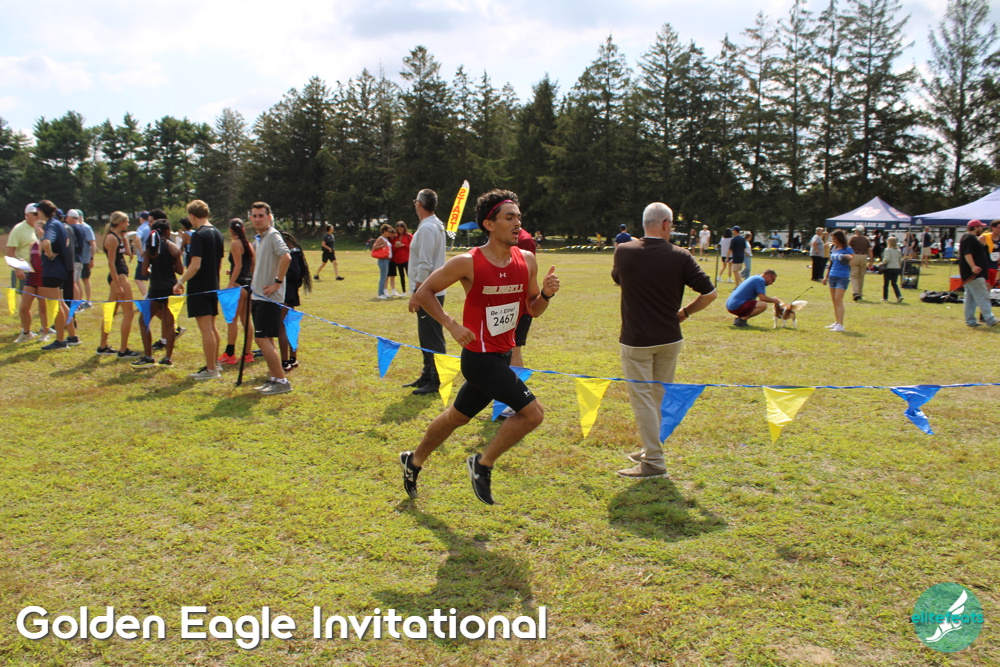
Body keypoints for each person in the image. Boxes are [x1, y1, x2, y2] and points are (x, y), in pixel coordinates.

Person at [399, 189, 560, 505]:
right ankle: (482, 465)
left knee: (456, 417)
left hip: (502, 355)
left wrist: (546, 294)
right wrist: (452, 325)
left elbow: (533, 309)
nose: (517, 223)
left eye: (519, 217)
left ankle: (412, 460)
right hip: (479, 358)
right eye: (509, 217)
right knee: (533, 414)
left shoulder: (527, 260)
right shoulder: (468, 262)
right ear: (489, 224)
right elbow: (424, 293)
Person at [612, 202, 716, 478]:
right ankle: (650, 450)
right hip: (669, 337)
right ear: (666, 224)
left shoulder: (623, 251)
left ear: (644, 223)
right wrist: (685, 313)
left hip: (636, 340)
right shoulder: (681, 255)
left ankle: (654, 462)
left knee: (644, 401)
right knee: (655, 398)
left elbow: (619, 279)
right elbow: (710, 293)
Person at [173, 199, 225, 379]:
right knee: (212, 326)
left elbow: (195, 265)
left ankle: (211, 369)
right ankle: (215, 363)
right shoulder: (217, 233)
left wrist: (180, 281)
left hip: (200, 286)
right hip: (212, 284)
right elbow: (218, 263)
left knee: (206, 329)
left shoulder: (199, 235)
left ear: (192, 216)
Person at [405, 189, 447, 395]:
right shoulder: (433, 225)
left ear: (419, 204)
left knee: (432, 336)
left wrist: (417, 294)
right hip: (431, 290)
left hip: (428, 291)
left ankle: (437, 379)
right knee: (426, 335)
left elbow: (425, 264)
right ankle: (427, 375)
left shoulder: (428, 228)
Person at [248, 202, 292, 394]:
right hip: (258, 296)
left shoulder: (273, 235)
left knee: (261, 339)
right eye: (254, 215)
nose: (257, 219)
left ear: (269, 217)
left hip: (268, 298)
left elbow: (286, 257)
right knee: (267, 339)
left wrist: (277, 282)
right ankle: (274, 378)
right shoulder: (260, 238)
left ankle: (282, 381)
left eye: (261, 215)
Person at [133, 219, 184, 367]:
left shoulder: (151, 248)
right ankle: (168, 358)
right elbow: (180, 271)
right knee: (170, 324)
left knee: (144, 321)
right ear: (167, 231)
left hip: (156, 289)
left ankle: (148, 356)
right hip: (171, 288)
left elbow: (144, 272)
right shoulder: (174, 248)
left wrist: (153, 270)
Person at [37, 200, 78, 351]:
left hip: (51, 270)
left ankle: (60, 340)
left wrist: (49, 254)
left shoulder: (50, 225)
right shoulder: (59, 223)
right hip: (61, 268)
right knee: (61, 303)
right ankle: (72, 336)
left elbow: (46, 243)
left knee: (55, 305)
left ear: (41, 211)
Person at [218, 218, 256, 366]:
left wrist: (230, 283)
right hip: (248, 285)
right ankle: (248, 353)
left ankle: (230, 354)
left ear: (230, 230)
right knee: (246, 320)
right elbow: (251, 265)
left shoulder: (235, 244)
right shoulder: (249, 244)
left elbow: (239, 265)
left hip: (238, 286)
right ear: (243, 229)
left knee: (231, 320)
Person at [7, 204, 47, 341]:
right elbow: (10, 250)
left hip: (41, 272)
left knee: (43, 303)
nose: (37, 216)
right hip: (25, 271)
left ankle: (44, 329)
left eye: (38, 213)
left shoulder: (42, 227)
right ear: (27, 215)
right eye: (34, 214)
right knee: (25, 305)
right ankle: (26, 332)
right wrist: (17, 268)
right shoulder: (19, 229)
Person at [278, 230, 311, 372]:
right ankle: (292, 358)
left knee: (282, 327)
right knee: (290, 326)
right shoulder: (297, 254)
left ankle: (285, 361)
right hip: (291, 294)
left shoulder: (291, 256)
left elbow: (292, 275)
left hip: (285, 294)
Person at [959, 220, 997, 327]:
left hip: (970, 274)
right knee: (982, 296)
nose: (982, 229)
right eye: (980, 227)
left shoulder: (969, 238)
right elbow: (968, 254)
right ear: (975, 227)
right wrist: (973, 266)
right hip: (975, 274)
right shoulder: (969, 238)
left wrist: (983, 245)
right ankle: (990, 319)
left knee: (970, 299)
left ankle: (970, 321)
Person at [822, 229, 853, 332]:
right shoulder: (834, 248)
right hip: (832, 275)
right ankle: (837, 322)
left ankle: (840, 325)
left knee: (838, 300)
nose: (833, 241)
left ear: (840, 239)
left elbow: (853, 261)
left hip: (842, 276)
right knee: (834, 301)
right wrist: (826, 277)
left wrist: (849, 258)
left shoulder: (848, 249)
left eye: (835, 239)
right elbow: (831, 264)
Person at [847, 226, 873, 301]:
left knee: (853, 275)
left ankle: (855, 292)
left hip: (855, 256)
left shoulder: (853, 238)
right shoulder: (866, 239)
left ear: (857, 231)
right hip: (864, 256)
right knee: (861, 276)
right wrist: (871, 261)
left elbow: (848, 248)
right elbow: (870, 250)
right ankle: (860, 293)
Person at [372, 223, 393, 299]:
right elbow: (374, 247)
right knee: (383, 277)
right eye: (389, 231)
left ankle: (383, 292)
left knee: (385, 277)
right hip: (383, 260)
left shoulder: (386, 239)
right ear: (384, 231)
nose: (390, 233)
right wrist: (382, 245)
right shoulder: (381, 238)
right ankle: (380, 294)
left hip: (387, 260)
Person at [132, 211, 151, 297]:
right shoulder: (151, 226)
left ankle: (146, 296)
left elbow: (137, 239)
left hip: (143, 259)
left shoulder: (142, 228)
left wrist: (140, 251)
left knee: (138, 279)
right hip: (153, 257)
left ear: (141, 218)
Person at [879, 236, 903, 303]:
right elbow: (900, 260)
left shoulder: (887, 250)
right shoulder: (898, 250)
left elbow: (887, 259)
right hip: (896, 268)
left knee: (886, 284)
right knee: (894, 283)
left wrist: (881, 263)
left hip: (889, 268)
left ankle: (885, 297)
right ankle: (899, 296)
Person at [391, 221, 412, 295]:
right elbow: (393, 249)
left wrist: (403, 245)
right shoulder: (395, 237)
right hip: (398, 259)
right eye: (398, 229)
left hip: (407, 259)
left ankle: (412, 289)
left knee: (409, 275)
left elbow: (412, 247)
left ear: (404, 228)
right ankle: (404, 291)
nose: (400, 231)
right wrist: (396, 246)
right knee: (401, 276)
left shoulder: (409, 236)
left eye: (401, 229)